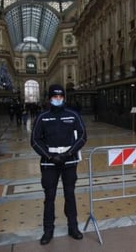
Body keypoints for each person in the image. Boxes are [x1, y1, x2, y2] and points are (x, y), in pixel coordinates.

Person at [30, 84, 87, 245]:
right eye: (55, 97)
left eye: (60, 96)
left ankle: (73, 227)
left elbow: (82, 136)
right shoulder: (42, 117)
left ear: (64, 97)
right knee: (49, 197)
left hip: (69, 161)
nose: (58, 99)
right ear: (50, 98)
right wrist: (49, 156)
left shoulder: (73, 115)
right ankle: (48, 230)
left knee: (70, 194)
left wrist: (68, 153)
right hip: (49, 163)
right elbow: (35, 140)